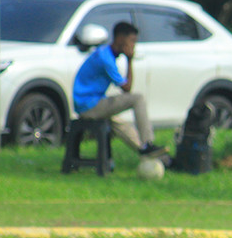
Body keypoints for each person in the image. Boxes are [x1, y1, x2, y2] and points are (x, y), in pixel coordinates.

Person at [72, 21, 167, 157]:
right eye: (132, 41)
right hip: (89, 105)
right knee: (137, 98)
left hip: (87, 104)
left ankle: (150, 154)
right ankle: (148, 143)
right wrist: (129, 60)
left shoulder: (104, 52)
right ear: (121, 38)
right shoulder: (106, 59)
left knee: (120, 124)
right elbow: (127, 88)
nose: (133, 45)